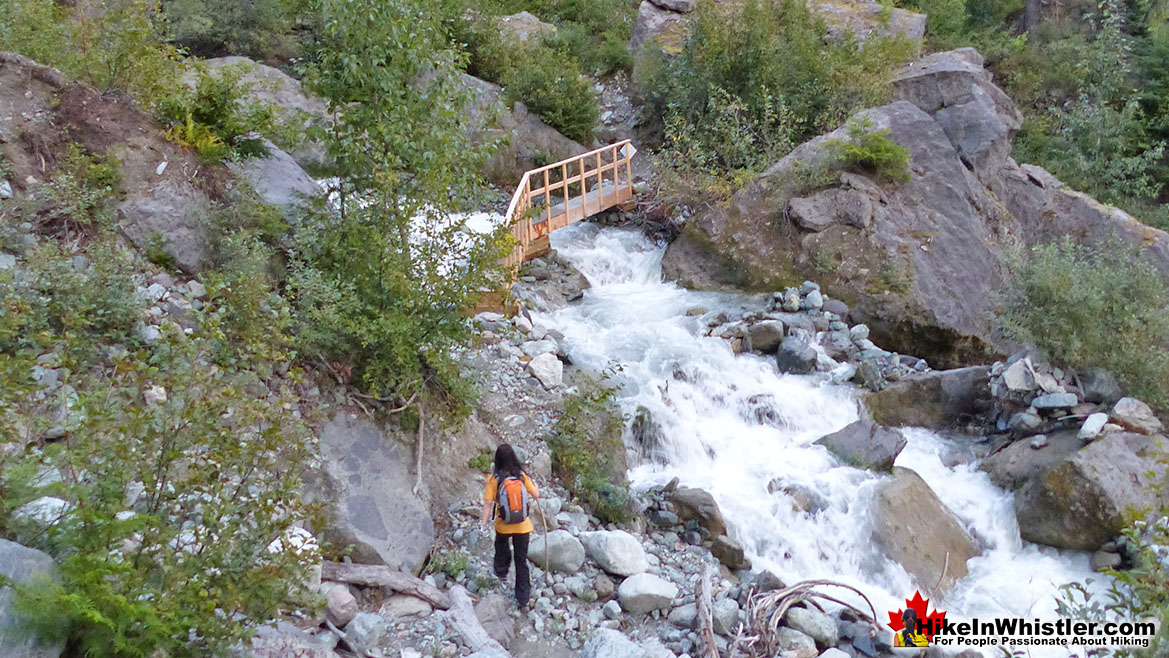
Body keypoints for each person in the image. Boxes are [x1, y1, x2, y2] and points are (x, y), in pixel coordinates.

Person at [479, 444, 540, 607]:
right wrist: (537, 488)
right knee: (521, 560)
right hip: (523, 525)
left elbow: (487, 503)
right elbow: (536, 494)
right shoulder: (521, 476)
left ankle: (500, 573)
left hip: (503, 524)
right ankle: (523, 597)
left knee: (501, 545)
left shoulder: (494, 479)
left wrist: (483, 523)